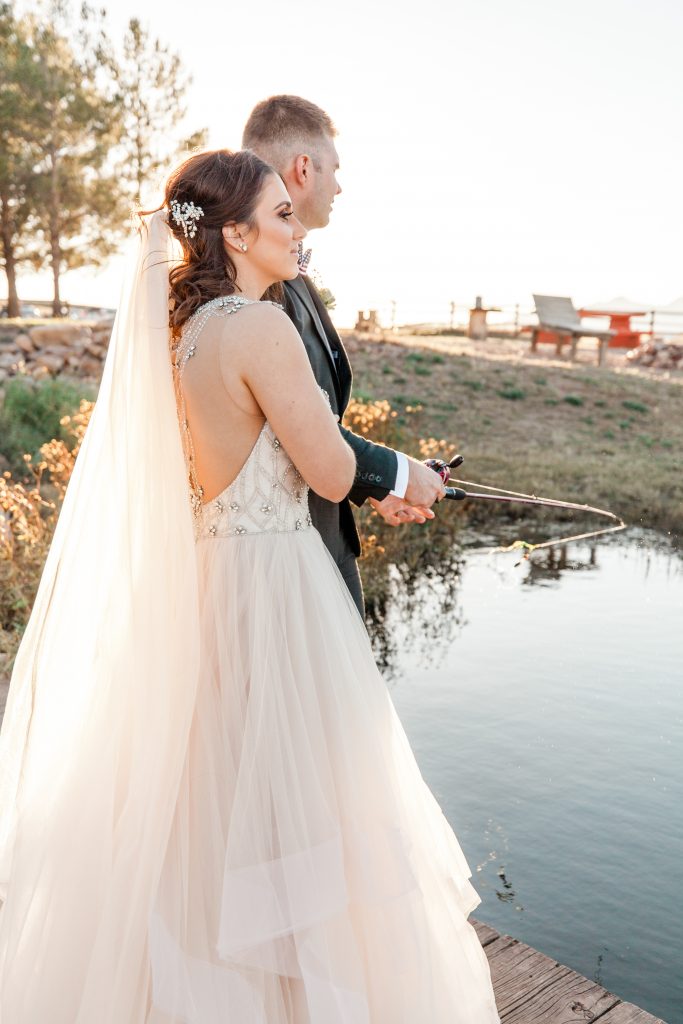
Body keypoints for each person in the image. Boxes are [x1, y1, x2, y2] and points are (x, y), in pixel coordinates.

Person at [0, 148, 499, 1023]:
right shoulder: (259, 327)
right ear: (233, 232)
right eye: (280, 215)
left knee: (212, 810)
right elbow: (329, 466)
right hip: (273, 592)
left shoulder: (181, 334)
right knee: (302, 810)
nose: (297, 228)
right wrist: (405, 477)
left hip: (205, 589)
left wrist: (380, 478)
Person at [242, 96, 444, 617]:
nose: (338, 186)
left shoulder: (282, 273)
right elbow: (286, 426)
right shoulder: (251, 292)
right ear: (303, 168)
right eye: (334, 169)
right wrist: (396, 473)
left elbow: (302, 420)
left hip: (315, 537)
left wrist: (371, 488)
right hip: (283, 566)